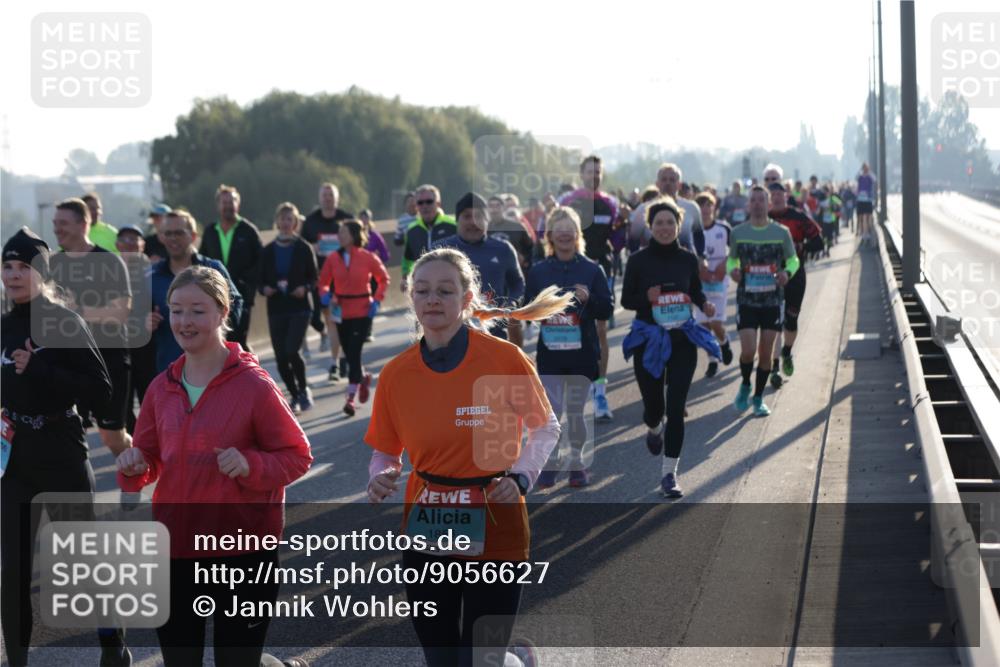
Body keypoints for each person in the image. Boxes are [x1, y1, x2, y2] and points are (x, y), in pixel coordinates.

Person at [365, 246, 564, 667]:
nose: (432, 299)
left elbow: (545, 426)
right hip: (427, 518)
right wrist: (381, 473)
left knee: (480, 656)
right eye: (422, 291)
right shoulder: (396, 374)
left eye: (444, 290)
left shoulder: (503, 358)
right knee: (440, 656)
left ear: (467, 299)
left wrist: (523, 478)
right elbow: (386, 449)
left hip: (495, 515)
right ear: (411, 298)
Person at [117, 265, 313, 667]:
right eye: (176, 310)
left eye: (197, 310)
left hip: (242, 549)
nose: (184, 321)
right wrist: (136, 463)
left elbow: (297, 455)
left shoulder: (254, 385)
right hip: (174, 546)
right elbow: (150, 457)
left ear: (223, 313)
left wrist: (250, 464)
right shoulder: (161, 387)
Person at [0, 228, 133, 667]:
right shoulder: (1, 326)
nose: (15, 275)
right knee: (13, 571)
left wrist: (40, 370)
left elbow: (101, 390)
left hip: (62, 452)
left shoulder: (65, 321)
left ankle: (113, 644)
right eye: (8, 266)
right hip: (14, 459)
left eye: (26, 266)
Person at [621, 198, 720, 498]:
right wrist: (646, 298)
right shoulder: (638, 261)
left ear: (679, 225)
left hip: (681, 340)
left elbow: (695, 291)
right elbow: (626, 300)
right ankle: (653, 427)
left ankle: (669, 475)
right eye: (659, 223)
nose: (664, 228)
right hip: (648, 339)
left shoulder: (688, 259)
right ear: (650, 227)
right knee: (655, 409)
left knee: (676, 408)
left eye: (670, 222)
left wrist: (704, 304)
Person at [527, 206, 613, 489]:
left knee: (575, 411)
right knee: (551, 412)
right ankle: (550, 464)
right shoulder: (539, 271)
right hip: (550, 355)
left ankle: (577, 463)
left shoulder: (591, 269)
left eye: (570, 230)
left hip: (582, 354)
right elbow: (526, 310)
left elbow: (607, 309)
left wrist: (589, 300)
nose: (564, 235)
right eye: (558, 230)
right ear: (550, 235)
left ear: (577, 235)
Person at [49, 198, 134, 459]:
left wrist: (80, 312)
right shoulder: (52, 265)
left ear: (83, 224)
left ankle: (134, 466)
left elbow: (121, 312)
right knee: (67, 432)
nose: (57, 229)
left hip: (109, 359)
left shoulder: (109, 262)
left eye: (63, 223)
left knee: (112, 436)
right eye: (55, 223)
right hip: (68, 362)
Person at [727, 186, 800, 417]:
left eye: (761, 200)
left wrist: (787, 273)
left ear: (768, 204)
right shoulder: (738, 232)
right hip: (747, 300)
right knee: (748, 351)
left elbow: (794, 260)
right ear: (748, 204)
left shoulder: (781, 232)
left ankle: (758, 398)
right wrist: (734, 271)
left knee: (766, 353)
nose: (757, 204)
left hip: (772, 300)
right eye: (753, 200)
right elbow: (731, 261)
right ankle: (746, 383)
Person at [559, 156, 619, 421]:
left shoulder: (610, 203)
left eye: (598, 172)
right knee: (572, 330)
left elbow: (617, 240)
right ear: (581, 174)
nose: (594, 176)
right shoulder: (570, 201)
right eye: (590, 172)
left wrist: (624, 227)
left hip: (600, 271)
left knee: (600, 330)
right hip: (572, 272)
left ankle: (600, 392)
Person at [148, 210, 243, 373]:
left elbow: (235, 309)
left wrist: (212, 318)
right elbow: (134, 320)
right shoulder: (151, 276)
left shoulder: (214, 269)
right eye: (168, 233)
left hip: (216, 369)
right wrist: (145, 323)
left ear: (193, 236)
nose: (172, 238)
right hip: (170, 371)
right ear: (161, 237)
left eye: (178, 233)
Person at [318, 220, 389, 416]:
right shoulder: (333, 258)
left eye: (344, 232)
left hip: (363, 310)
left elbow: (383, 279)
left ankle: (350, 399)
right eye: (339, 232)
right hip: (341, 311)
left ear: (354, 234)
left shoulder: (367, 257)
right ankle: (363, 376)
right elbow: (323, 282)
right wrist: (325, 294)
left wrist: (377, 300)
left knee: (354, 352)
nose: (339, 235)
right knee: (348, 353)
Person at [436, 192, 525, 346]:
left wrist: (510, 305)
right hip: (450, 337)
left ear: (487, 220)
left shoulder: (503, 249)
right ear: (457, 220)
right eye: (467, 216)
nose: (473, 222)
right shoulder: (439, 250)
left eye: (479, 216)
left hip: (494, 335)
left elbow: (517, 283)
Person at [260, 203, 319, 414]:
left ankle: (304, 389)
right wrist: (265, 288)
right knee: (280, 357)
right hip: (277, 308)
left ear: (295, 223)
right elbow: (260, 280)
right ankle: (294, 395)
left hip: (299, 307)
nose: (285, 223)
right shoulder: (267, 251)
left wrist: (305, 288)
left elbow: (314, 278)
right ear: (277, 221)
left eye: (289, 219)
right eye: (282, 219)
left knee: (292, 349)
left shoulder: (304, 248)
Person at [767, 182, 824, 388]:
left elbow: (819, 242)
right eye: (772, 194)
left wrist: (801, 246)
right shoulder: (762, 219)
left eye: (779, 194)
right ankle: (773, 369)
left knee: (791, 320)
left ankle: (787, 352)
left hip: (795, 273)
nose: (776, 197)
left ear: (786, 195)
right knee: (772, 323)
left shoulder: (799, 217)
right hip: (768, 276)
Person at [199, 184, 262, 350]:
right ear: (218, 205)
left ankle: (250, 373)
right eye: (224, 202)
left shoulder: (248, 231)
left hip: (241, 297)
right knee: (219, 343)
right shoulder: (210, 231)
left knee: (237, 341)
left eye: (231, 201)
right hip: (215, 297)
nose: (228, 205)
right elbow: (201, 262)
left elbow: (260, 262)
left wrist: (247, 284)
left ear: (238, 204)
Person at [301, 182, 353, 366]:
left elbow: (360, 245)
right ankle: (337, 360)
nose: (327, 198)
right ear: (319, 198)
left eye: (331, 195)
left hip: (345, 278)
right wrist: (312, 248)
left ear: (337, 198)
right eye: (324, 195)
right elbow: (302, 248)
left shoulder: (347, 219)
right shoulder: (310, 222)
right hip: (320, 278)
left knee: (343, 320)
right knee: (327, 319)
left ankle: (342, 359)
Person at [115, 224, 156, 433]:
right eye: (125, 239)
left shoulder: (154, 272)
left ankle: (152, 441)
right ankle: (135, 441)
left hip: (147, 346)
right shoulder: (108, 273)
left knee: (150, 397)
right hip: (119, 346)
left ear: (143, 245)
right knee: (123, 402)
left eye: (135, 239)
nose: (130, 243)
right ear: (117, 244)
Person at [693, 192, 734, 377]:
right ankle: (712, 361)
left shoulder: (724, 229)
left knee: (716, 323)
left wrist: (723, 267)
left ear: (714, 207)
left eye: (708, 205)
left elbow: (735, 251)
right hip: (700, 282)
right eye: (700, 205)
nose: (705, 209)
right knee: (703, 325)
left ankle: (724, 342)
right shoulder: (693, 231)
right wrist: (700, 270)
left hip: (719, 280)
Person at [400, 184, 457, 291]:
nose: (424, 206)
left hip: (450, 285)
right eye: (420, 203)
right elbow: (408, 258)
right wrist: (404, 277)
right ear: (416, 206)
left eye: (429, 201)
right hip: (424, 287)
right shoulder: (412, 230)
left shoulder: (453, 225)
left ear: (438, 203)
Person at [856, 163, 877, 246]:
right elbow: (856, 176)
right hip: (860, 200)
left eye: (866, 168)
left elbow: (875, 179)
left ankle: (867, 233)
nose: (865, 169)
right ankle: (863, 234)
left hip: (868, 200)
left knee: (868, 217)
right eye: (864, 168)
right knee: (862, 218)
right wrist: (861, 170)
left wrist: (869, 171)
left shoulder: (870, 176)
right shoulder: (860, 176)